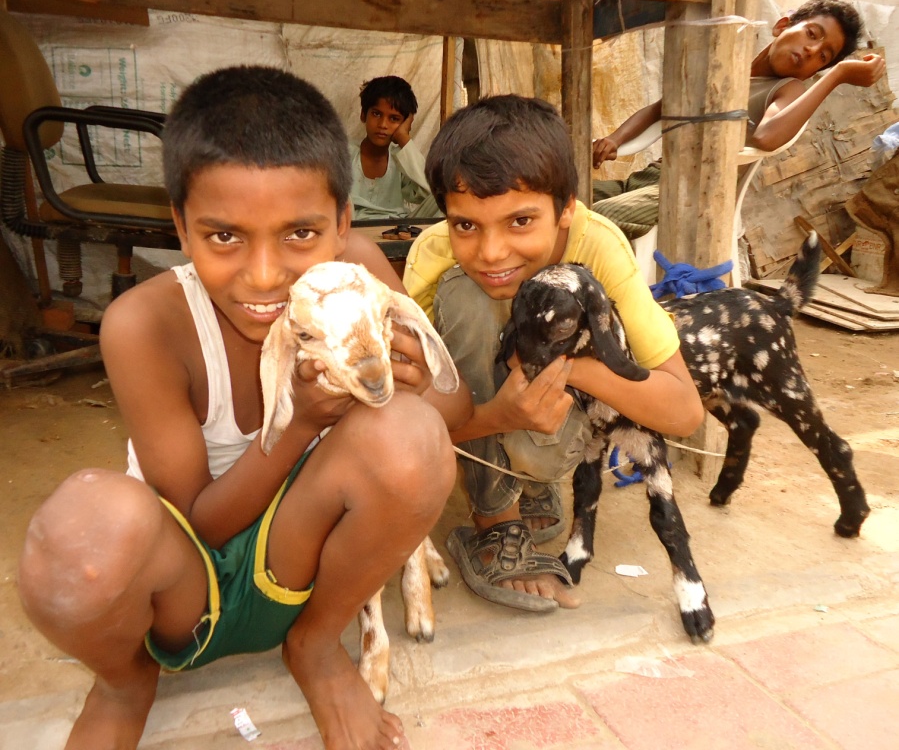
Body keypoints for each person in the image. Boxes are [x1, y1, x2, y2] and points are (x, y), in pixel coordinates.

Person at [16, 66, 470, 750]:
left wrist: (411, 379)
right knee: (76, 534)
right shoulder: (146, 324)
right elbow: (201, 524)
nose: (263, 276)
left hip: (303, 570)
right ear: (180, 226)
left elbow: (452, 406)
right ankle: (123, 683)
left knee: (411, 435)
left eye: (301, 234)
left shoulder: (355, 275)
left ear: (343, 224)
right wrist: (303, 421)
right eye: (224, 236)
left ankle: (316, 647)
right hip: (185, 591)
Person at [403, 95, 704, 613]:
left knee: (556, 308)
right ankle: (496, 520)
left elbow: (683, 411)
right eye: (466, 225)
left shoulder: (599, 248)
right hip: (479, 413)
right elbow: (402, 418)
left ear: (566, 209)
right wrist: (498, 417)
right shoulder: (434, 255)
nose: (491, 252)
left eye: (520, 221)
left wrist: (574, 369)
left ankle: (532, 478)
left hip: (555, 424)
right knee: (467, 294)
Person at [591, 0, 887, 241]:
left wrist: (837, 75)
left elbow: (766, 138)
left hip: (688, 191)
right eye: (812, 34)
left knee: (599, 220)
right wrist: (615, 139)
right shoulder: (728, 70)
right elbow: (660, 108)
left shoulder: (787, 89)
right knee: (570, 197)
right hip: (650, 177)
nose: (812, 50)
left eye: (824, 57)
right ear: (782, 25)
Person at [349, 75, 441, 221]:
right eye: (376, 114)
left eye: (394, 119)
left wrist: (403, 138)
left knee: (444, 195)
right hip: (353, 226)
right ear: (363, 115)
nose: (383, 125)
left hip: (396, 226)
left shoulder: (401, 159)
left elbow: (429, 192)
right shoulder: (345, 153)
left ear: (405, 123)